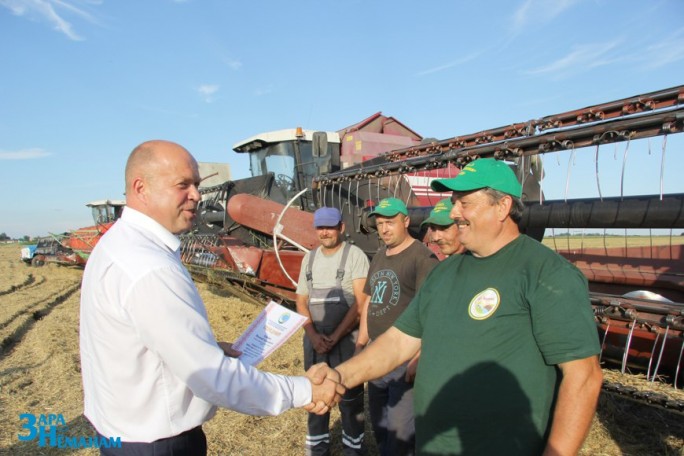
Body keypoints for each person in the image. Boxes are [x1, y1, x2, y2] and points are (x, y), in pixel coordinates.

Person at [315, 158, 603, 455]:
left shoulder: (546, 273)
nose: (454, 212)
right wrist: (341, 376)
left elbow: (583, 377)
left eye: (464, 203)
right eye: (454, 202)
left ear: (502, 207)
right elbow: (398, 342)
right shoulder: (444, 273)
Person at [79, 140, 342, 456]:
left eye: (197, 185)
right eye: (183, 185)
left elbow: (139, 337)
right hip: (157, 444)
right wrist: (304, 390)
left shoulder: (116, 246)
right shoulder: (149, 267)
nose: (196, 195)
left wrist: (204, 347)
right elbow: (212, 378)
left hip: (122, 431)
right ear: (141, 188)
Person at [356, 197, 439, 456]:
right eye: (380, 223)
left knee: (400, 431)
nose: (384, 229)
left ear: (406, 221)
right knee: (380, 426)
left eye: (390, 222)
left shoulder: (422, 257)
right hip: (378, 354)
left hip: (404, 358)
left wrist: (419, 355)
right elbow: (369, 302)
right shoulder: (380, 255)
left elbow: (431, 310)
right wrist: (361, 344)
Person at [295, 207, 370, 456]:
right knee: (315, 394)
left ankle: (353, 448)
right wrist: (314, 337)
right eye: (320, 228)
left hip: (345, 340)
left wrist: (335, 337)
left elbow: (361, 303)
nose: (325, 232)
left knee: (349, 398)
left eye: (330, 227)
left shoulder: (354, 256)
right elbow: (301, 302)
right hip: (315, 341)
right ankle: (317, 448)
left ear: (341, 228)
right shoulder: (310, 258)